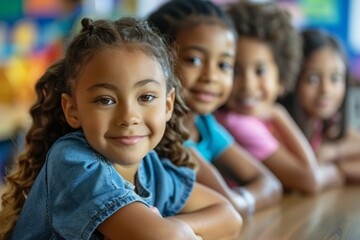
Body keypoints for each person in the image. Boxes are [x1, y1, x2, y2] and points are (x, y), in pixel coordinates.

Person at [0, 17, 242, 240]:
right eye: (105, 100)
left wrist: (174, 227)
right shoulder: (74, 162)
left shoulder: (151, 167)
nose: (128, 117)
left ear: (168, 105)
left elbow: (229, 217)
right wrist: (170, 230)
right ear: (72, 109)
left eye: (146, 97)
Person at [147, 0, 282, 218]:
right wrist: (241, 201)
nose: (211, 76)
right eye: (194, 60)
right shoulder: (164, 137)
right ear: (157, 60)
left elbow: (271, 184)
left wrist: (242, 201)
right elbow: (228, 204)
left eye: (224, 65)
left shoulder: (204, 125)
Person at [215, 0, 344, 194]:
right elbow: (309, 180)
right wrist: (279, 114)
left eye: (260, 71)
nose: (248, 84)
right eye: (234, 70)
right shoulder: (237, 122)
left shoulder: (255, 119)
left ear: (281, 76)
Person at [281, 29, 360, 184]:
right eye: (313, 79)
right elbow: (308, 180)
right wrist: (339, 170)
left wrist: (334, 152)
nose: (326, 90)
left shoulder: (325, 122)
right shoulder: (278, 127)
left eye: (335, 78)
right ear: (293, 79)